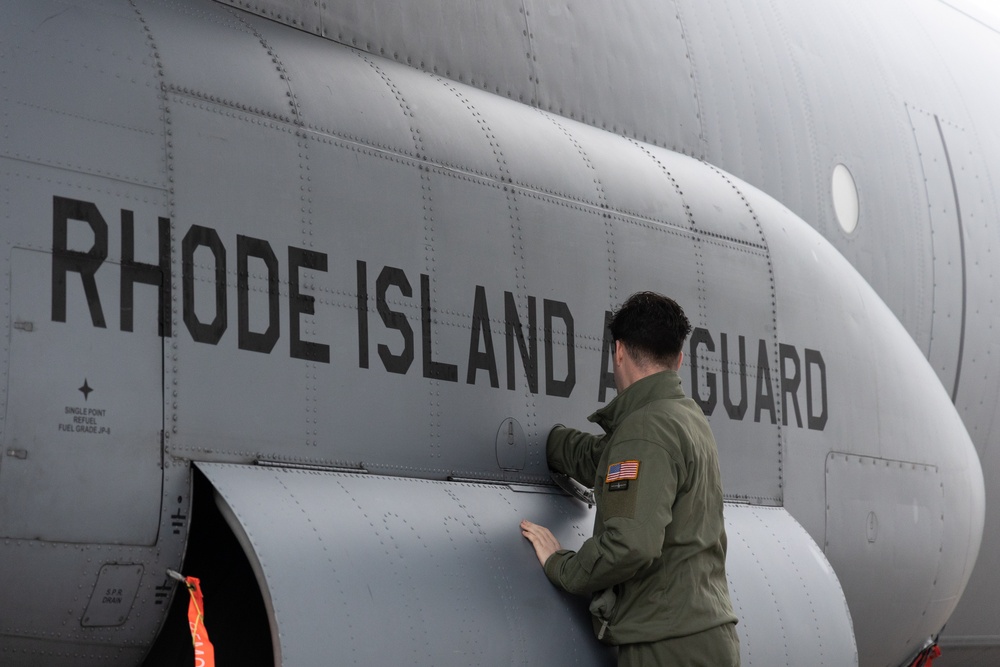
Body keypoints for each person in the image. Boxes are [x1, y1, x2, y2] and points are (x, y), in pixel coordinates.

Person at [520, 291, 739, 666]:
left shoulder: (645, 429)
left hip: (665, 645)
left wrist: (561, 565)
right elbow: (608, 459)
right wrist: (554, 444)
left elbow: (630, 545)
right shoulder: (687, 419)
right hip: (708, 635)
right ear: (679, 359)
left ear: (618, 352)